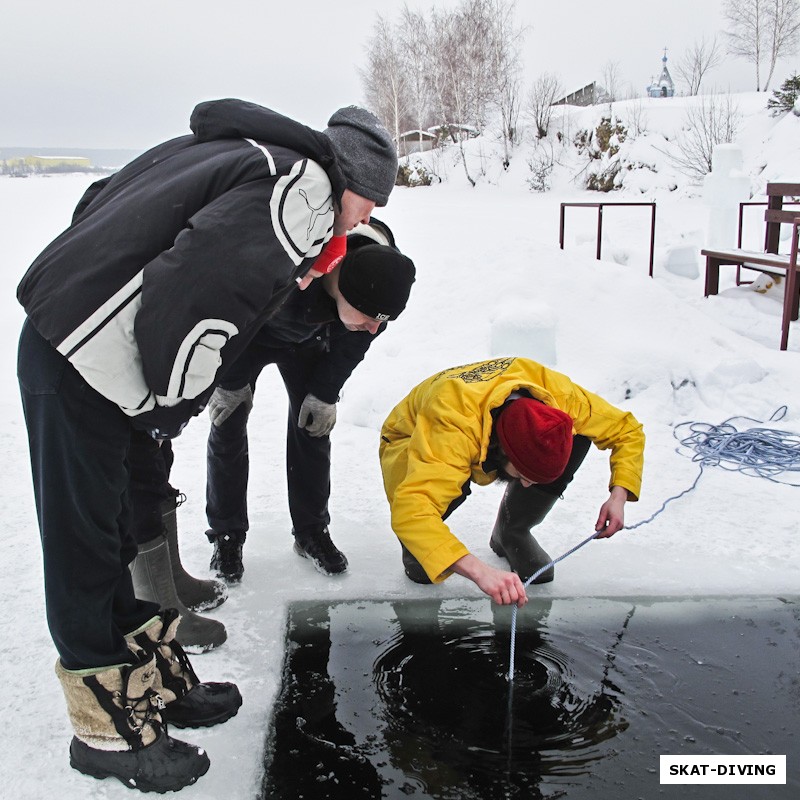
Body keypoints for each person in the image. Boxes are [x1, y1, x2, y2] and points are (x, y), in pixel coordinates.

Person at [16, 97, 398, 792]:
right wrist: (169, 404)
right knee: (82, 544)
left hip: (86, 346)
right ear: (355, 182)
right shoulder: (302, 193)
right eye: (369, 205)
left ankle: (151, 684)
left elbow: (103, 201)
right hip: (81, 358)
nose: (367, 220)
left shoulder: (249, 152)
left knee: (114, 532)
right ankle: (105, 730)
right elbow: (195, 299)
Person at [204, 218, 415, 581]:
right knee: (229, 422)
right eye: (369, 319)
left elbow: (355, 341)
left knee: (313, 427)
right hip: (249, 337)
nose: (375, 329)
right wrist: (229, 380)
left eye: (383, 323)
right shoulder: (287, 254)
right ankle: (227, 534)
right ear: (342, 290)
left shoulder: (382, 282)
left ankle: (311, 532)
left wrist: (325, 392)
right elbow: (227, 306)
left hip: (310, 341)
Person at [379, 357, 645, 608]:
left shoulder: (562, 398)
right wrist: (480, 572)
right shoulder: (452, 428)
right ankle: (417, 548)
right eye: (522, 476)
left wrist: (618, 495)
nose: (527, 487)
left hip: (477, 426)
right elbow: (411, 509)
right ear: (502, 449)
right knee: (423, 558)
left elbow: (627, 430)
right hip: (412, 437)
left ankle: (511, 530)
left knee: (575, 436)